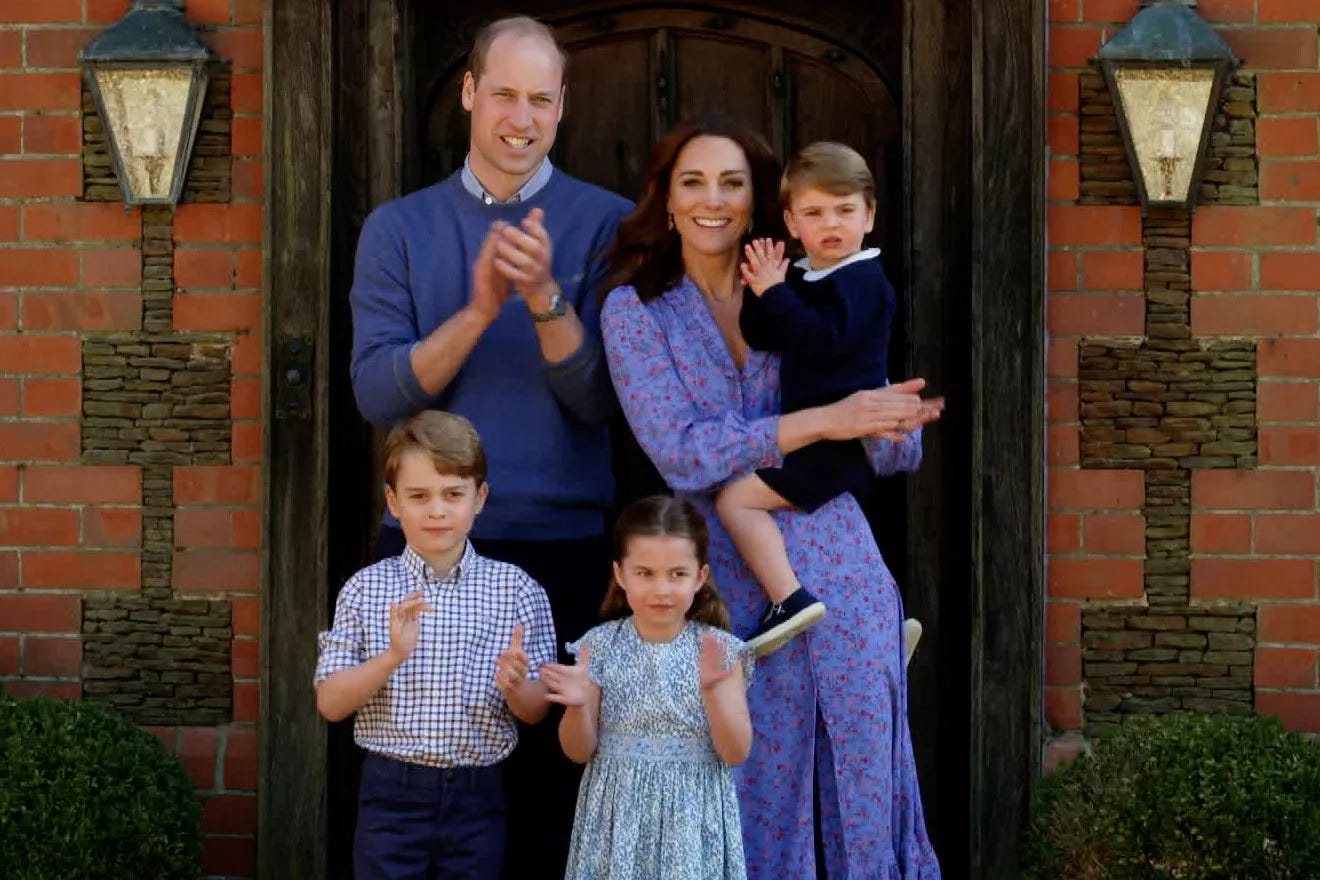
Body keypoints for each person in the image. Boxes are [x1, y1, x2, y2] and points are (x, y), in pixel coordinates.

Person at [599, 113, 944, 878]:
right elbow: (682, 452)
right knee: (745, 783)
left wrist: (891, 422)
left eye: (731, 183)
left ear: (758, 204)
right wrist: (828, 420)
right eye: (693, 182)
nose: (712, 200)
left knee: (862, 774)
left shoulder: (814, 287)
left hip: (839, 557)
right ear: (667, 198)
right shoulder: (636, 311)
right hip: (720, 577)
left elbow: (889, 448)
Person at [347, 15, 632, 876]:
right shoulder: (398, 229)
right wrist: (477, 310)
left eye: (540, 99)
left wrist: (545, 298)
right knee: (425, 795)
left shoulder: (608, 223)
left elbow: (598, 404)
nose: (521, 116)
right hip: (430, 550)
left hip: (566, 549)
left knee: (552, 799)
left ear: (562, 107)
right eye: (504, 93)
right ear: (469, 93)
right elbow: (378, 396)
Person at [313, 411, 557, 879]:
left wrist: (515, 687)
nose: (437, 510)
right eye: (419, 496)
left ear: (479, 498)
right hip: (390, 792)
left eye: (453, 494)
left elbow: (535, 711)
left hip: (477, 793)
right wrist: (392, 657)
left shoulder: (517, 590)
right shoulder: (366, 590)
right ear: (393, 501)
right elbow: (330, 703)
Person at [717, 141, 898, 657]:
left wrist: (778, 293)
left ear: (869, 214)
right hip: (812, 435)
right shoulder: (806, 275)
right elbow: (763, 334)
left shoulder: (864, 279)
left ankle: (788, 599)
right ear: (793, 223)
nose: (831, 224)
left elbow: (824, 339)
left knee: (735, 500)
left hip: (838, 443)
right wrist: (762, 288)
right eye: (815, 213)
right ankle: (873, 626)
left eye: (845, 210)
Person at [540, 495, 752, 880]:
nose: (661, 589)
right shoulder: (598, 646)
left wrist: (713, 692)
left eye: (677, 574)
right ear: (620, 574)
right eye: (645, 573)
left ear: (700, 577)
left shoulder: (719, 652)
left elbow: (736, 751)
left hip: (691, 818)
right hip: (616, 817)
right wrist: (577, 706)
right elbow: (578, 751)